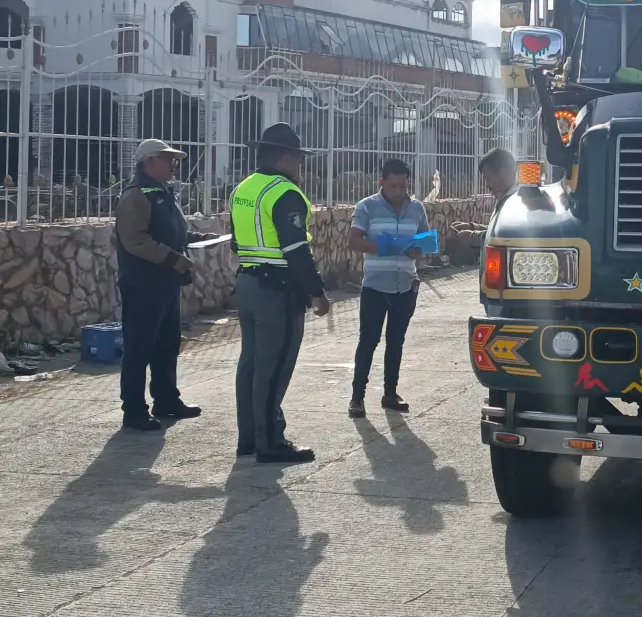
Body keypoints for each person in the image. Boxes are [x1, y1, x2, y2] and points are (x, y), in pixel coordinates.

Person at [230, 123, 330, 464]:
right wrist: (317, 292)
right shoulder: (285, 193)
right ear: (285, 156)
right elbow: (296, 250)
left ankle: (249, 438)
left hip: (246, 284)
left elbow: (235, 241)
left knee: (251, 365)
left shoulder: (243, 188)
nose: (300, 165)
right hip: (277, 291)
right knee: (273, 368)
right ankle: (270, 441)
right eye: (298, 158)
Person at [114, 139, 218, 430]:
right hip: (144, 284)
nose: (174, 164)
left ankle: (166, 400)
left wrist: (197, 240)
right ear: (148, 161)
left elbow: (173, 234)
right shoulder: (136, 195)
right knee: (140, 347)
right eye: (167, 158)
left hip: (165, 283)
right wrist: (174, 259)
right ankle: (133, 409)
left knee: (166, 345)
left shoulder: (160, 192)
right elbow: (135, 241)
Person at [346, 159, 429, 418]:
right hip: (375, 287)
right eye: (392, 185)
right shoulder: (367, 207)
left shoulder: (417, 209)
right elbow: (354, 241)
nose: (398, 191)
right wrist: (384, 247)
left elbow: (424, 245)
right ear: (381, 183)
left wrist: (418, 250)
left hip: (405, 286)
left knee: (396, 342)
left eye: (402, 186)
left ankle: (390, 393)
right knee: (368, 341)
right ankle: (357, 398)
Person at [451, 147, 520, 250]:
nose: (487, 185)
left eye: (488, 178)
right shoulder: (507, 198)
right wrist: (473, 227)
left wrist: (472, 237)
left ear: (502, 173)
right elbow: (498, 231)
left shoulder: (516, 202)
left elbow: (504, 238)